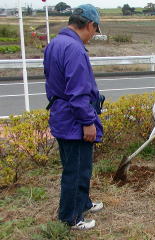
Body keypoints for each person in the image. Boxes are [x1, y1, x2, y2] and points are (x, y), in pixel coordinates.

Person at [44, 4, 104, 230]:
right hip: (74, 119)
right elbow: (78, 92)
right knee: (76, 169)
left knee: (79, 165)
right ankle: (70, 218)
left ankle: (83, 202)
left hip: (61, 114)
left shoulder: (55, 44)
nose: (92, 36)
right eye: (94, 31)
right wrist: (88, 122)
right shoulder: (75, 48)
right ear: (90, 25)